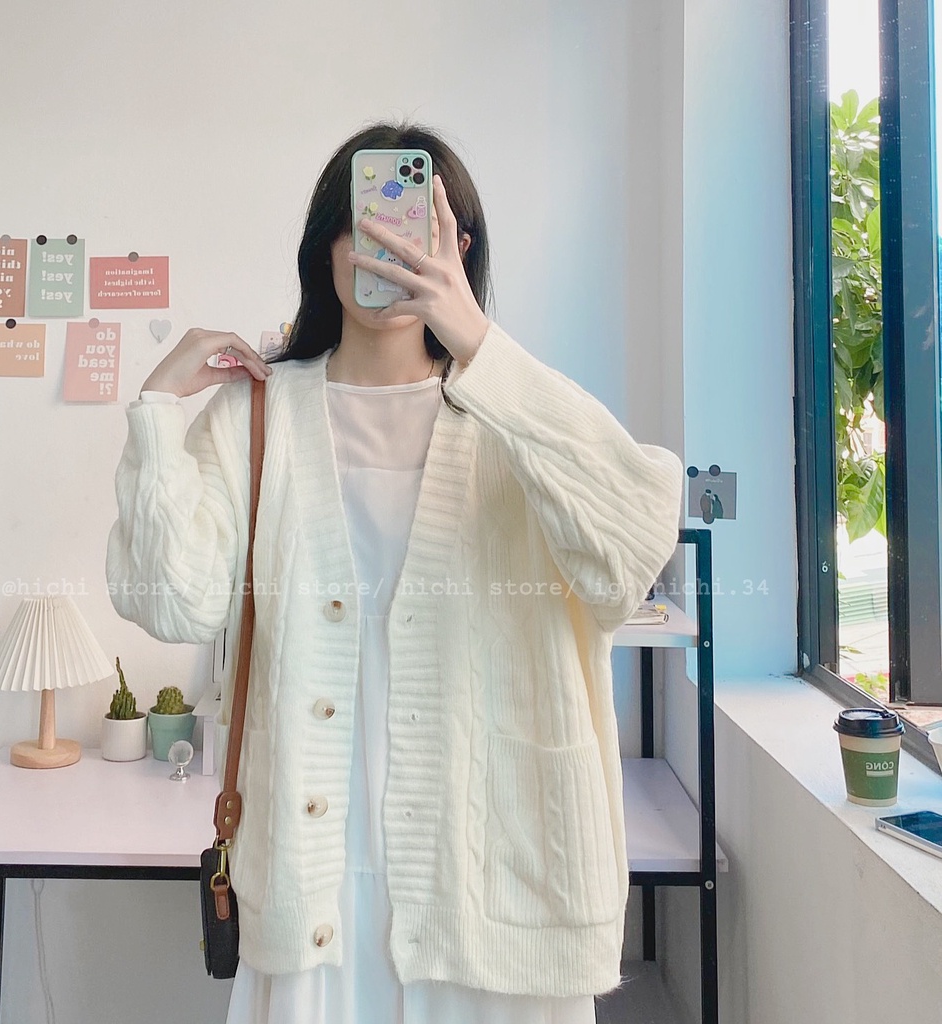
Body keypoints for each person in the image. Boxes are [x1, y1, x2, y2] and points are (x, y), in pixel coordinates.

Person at [106, 122, 685, 1024]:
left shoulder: (515, 413)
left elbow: (631, 549)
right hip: (316, 894)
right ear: (325, 249)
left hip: (493, 883)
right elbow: (172, 601)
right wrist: (154, 410)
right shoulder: (258, 417)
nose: (384, 245)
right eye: (360, 223)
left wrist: (480, 344)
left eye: (413, 223)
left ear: (460, 246)